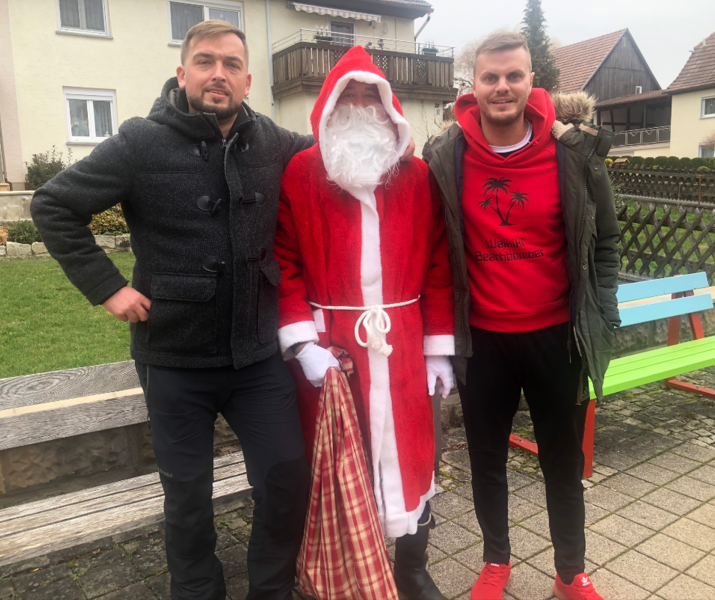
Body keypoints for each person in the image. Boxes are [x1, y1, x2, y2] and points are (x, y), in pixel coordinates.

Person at [31, 20, 320, 600]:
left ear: (247, 80)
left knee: (288, 476)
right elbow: (53, 204)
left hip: (257, 355)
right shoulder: (141, 141)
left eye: (232, 64)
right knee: (187, 497)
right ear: (183, 73)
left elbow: (331, 152)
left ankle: (272, 589)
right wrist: (108, 288)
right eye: (206, 62)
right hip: (172, 356)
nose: (219, 74)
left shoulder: (273, 141)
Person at [423, 32, 621, 600]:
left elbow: (606, 244)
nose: (502, 87)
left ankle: (570, 571)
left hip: (557, 338)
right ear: (474, 86)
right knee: (486, 460)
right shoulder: (445, 157)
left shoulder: (573, 154)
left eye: (514, 75)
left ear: (533, 82)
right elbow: (432, 245)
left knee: (563, 461)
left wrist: (603, 319)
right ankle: (495, 561)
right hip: (482, 341)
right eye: (490, 77)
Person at [274, 46, 456, 600]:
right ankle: (346, 571)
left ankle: (411, 569)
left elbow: (438, 265)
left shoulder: (417, 176)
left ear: (387, 106)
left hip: (403, 344)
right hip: (335, 350)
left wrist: (437, 350)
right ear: (328, 106)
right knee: (339, 460)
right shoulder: (302, 173)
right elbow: (283, 263)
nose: (358, 105)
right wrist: (302, 343)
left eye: (368, 96)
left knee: (412, 457)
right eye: (346, 95)